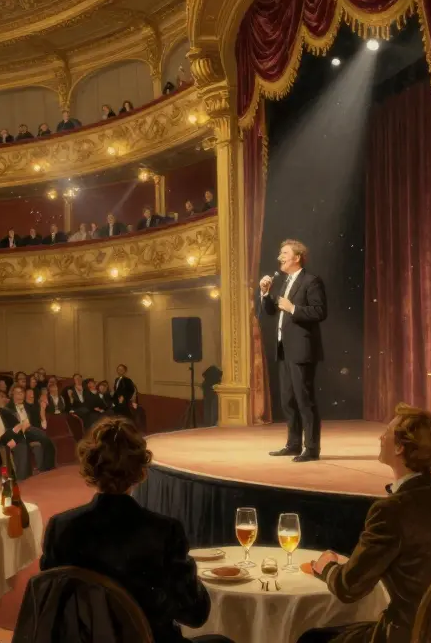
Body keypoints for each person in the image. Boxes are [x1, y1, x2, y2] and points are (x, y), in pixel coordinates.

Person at [41, 417, 230, 643]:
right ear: (141, 471)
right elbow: (196, 614)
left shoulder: (60, 527)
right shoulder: (164, 532)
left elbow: (49, 604)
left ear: (91, 468)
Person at [297, 406, 431, 643]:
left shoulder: (391, 510)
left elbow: (348, 588)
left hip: (405, 635)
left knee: (311, 638)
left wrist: (326, 566)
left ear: (400, 447)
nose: (380, 438)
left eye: (387, 433)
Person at [259, 239, 328, 462]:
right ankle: (293, 444)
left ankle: (312, 448)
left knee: (304, 400)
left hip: (302, 349)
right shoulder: (284, 282)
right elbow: (270, 311)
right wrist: (265, 293)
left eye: (284, 253)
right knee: (288, 400)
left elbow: (319, 312)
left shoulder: (311, 281)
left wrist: (293, 308)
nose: (280, 256)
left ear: (297, 257)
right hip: (285, 349)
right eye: (280, 253)